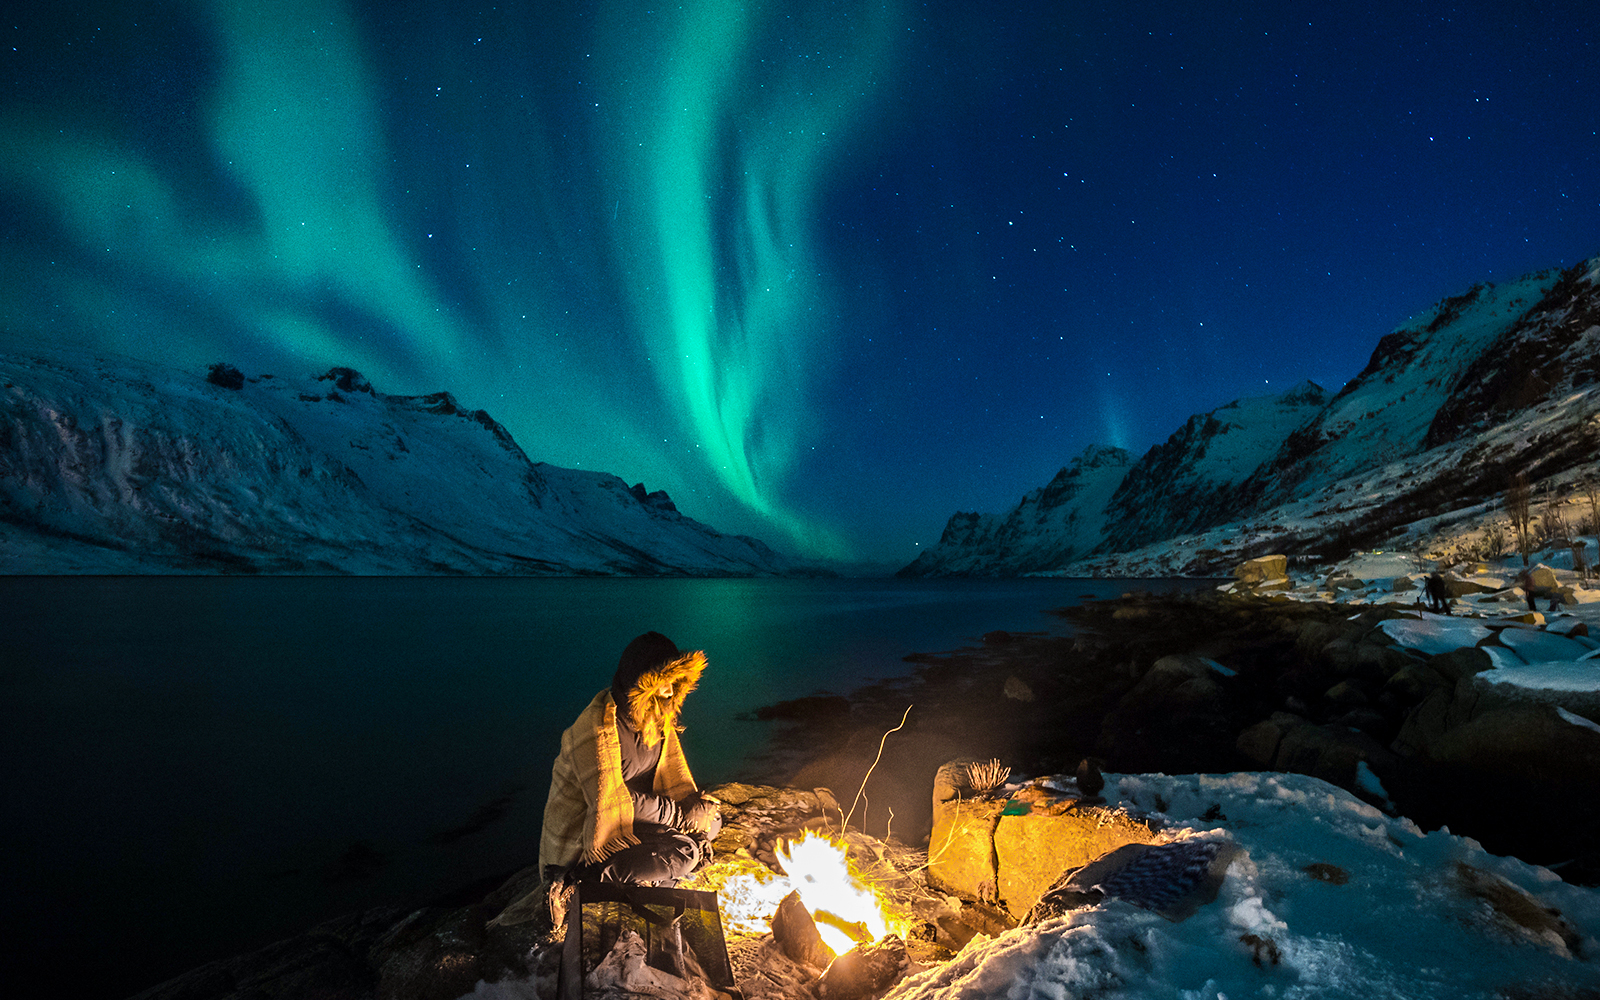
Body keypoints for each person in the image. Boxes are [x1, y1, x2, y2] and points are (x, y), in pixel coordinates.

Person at [539, 632, 722, 905]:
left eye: (673, 683)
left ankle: (646, 880)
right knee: (685, 852)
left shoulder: (654, 718)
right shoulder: (597, 731)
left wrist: (694, 806)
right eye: (663, 683)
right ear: (641, 682)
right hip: (596, 830)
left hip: (635, 818)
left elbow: (665, 781)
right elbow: (612, 801)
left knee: (713, 821)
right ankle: (581, 883)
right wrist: (679, 816)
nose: (670, 691)